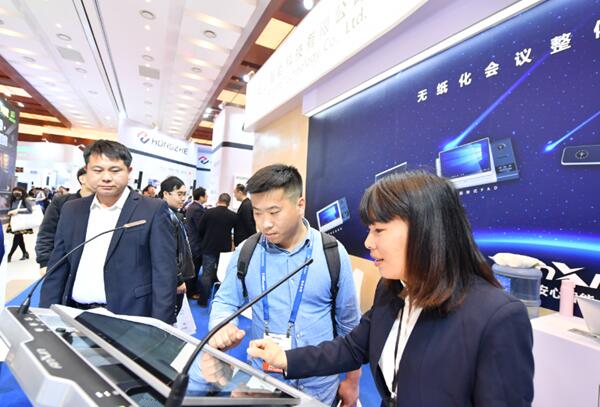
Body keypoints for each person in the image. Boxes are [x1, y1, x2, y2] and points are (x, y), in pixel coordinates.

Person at [248, 171, 535, 407]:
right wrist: (284, 358)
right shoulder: (392, 291)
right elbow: (352, 347)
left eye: (378, 230)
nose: (368, 243)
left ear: (425, 229)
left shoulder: (496, 318)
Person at [208, 164, 361, 406]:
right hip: (264, 381)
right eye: (257, 213)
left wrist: (352, 382)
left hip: (319, 384)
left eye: (274, 212)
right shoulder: (247, 251)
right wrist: (222, 325)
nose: (265, 224)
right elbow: (225, 301)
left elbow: (349, 325)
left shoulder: (331, 252)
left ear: (300, 205)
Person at [40, 140, 178, 324]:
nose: (106, 177)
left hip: (129, 317)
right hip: (74, 313)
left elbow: (164, 272)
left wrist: (160, 325)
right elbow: (58, 266)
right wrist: (46, 315)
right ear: (86, 171)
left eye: (115, 170)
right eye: (97, 170)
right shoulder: (72, 209)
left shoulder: (152, 209)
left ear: (129, 171)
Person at [36, 167, 95, 268]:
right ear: (82, 179)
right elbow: (47, 232)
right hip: (63, 262)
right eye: (96, 173)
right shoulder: (62, 202)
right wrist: (44, 262)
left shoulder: (105, 204)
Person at [159, 176, 195, 314]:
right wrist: (178, 280)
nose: (183, 198)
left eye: (184, 194)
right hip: (169, 279)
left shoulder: (173, 214)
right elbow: (167, 252)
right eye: (179, 194)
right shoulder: (164, 216)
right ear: (166, 194)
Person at [196, 193, 237, 306]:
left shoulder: (208, 212)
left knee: (206, 275)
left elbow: (200, 229)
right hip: (225, 249)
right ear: (228, 203)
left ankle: (203, 300)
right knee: (223, 275)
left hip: (209, 247)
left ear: (219, 200)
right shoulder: (233, 216)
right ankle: (220, 301)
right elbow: (235, 232)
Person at [184, 187, 208, 299]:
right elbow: (200, 227)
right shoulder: (197, 209)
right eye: (206, 195)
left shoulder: (192, 206)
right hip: (196, 244)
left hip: (192, 242)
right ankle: (191, 293)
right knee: (194, 270)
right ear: (201, 197)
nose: (207, 197)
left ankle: (190, 291)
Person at [6, 187, 33, 262]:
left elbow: (30, 211)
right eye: (14, 191)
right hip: (15, 222)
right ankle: (25, 253)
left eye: (18, 191)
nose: (16, 193)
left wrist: (18, 211)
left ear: (22, 192)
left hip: (22, 222)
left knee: (16, 238)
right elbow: (11, 209)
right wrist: (10, 212)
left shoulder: (25, 200)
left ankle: (9, 255)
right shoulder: (12, 200)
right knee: (20, 239)